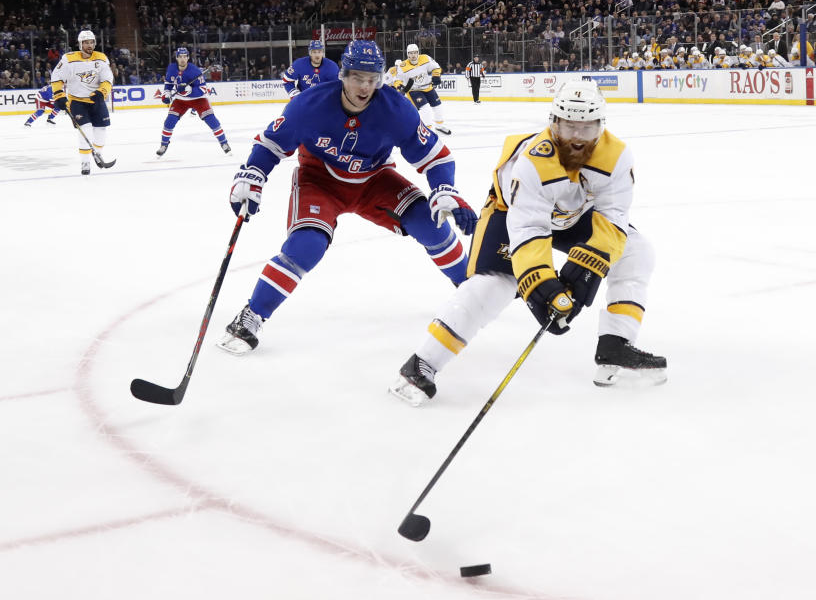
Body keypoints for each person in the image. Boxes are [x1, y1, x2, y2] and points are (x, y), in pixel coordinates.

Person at [389, 81, 666, 406]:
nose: (577, 138)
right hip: (512, 214)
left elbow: (613, 215)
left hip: (574, 215)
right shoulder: (532, 161)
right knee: (494, 285)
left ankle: (615, 346)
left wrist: (588, 264)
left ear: (601, 126)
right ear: (553, 122)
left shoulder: (616, 156)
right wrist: (542, 284)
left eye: (587, 128)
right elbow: (528, 227)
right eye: (568, 126)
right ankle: (422, 363)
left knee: (636, 251)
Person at [218, 40, 478, 354]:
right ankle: (251, 315)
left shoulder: (396, 109)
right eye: (358, 77)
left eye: (373, 79)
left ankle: (469, 289)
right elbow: (272, 144)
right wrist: (253, 174)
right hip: (320, 179)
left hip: (375, 180)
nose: (365, 86)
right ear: (343, 75)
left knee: (431, 225)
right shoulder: (309, 105)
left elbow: (436, 157)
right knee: (306, 245)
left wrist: (444, 190)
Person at [50, 30, 113, 175]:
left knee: (101, 132)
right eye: (86, 42)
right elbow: (56, 77)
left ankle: (97, 153)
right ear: (80, 44)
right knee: (85, 130)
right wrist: (59, 95)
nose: (89, 45)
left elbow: (108, 78)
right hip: (77, 101)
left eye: (91, 42)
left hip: (95, 100)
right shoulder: (69, 59)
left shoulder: (101, 58)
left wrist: (101, 92)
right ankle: (85, 162)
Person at [156, 48, 230, 157]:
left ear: (188, 57)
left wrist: (189, 90)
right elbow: (168, 84)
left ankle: (224, 143)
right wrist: (166, 94)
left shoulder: (194, 70)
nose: (182, 59)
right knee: (169, 122)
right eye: (180, 57)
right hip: (180, 101)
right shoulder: (171, 68)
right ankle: (163, 145)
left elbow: (204, 89)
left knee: (212, 121)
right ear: (176, 57)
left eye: (185, 56)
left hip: (198, 100)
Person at [397, 43, 451, 135]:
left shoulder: (425, 58)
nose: (413, 55)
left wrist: (436, 76)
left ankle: (439, 126)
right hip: (414, 90)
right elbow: (398, 79)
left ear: (418, 52)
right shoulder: (402, 66)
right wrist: (400, 88)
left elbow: (436, 67)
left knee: (438, 107)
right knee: (425, 109)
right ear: (407, 54)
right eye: (410, 53)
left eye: (415, 53)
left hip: (428, 87)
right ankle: (427, 130)